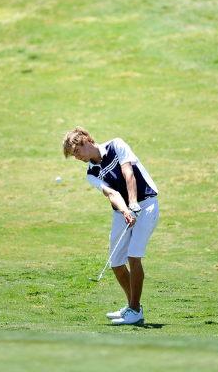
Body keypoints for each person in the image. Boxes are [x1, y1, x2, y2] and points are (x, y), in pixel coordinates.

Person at [62, 126, 159, 325]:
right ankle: (134, 306)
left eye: (77, 151)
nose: (77, 157)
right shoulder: (91, 174)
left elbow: (128, 172)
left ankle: (133, 309)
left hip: (146, 205)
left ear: (86, 140)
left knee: (133, 256)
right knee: (116, 263)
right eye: (73, 155)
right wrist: (125, 211)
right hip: (121, 212)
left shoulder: (117, 145)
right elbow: (112, 194)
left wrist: (133, 203)